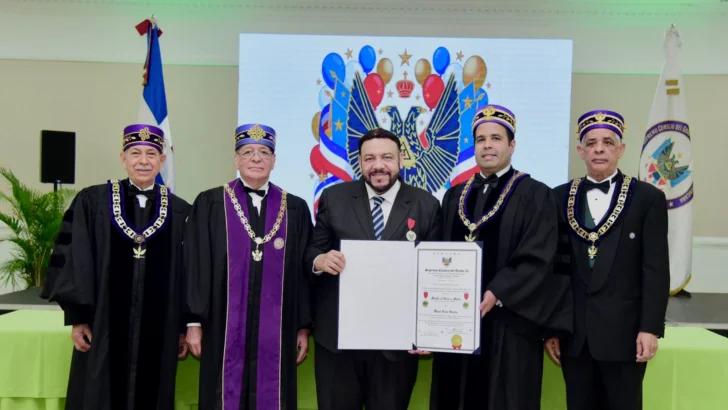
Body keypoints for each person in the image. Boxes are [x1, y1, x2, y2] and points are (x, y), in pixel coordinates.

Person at [429, 105, 573, 410]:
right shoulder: (454, 196)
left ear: (512, 145)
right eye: (481, 139)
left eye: (496, 138)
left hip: (510, 326)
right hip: (456, 323)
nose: (487, 145)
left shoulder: (536, 195)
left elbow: (540, 256)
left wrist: (498, 291)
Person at [41, 124, 191, 410]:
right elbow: (75, 260)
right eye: (135, 153)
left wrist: (183, 326)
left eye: (151, 154)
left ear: (162, 160)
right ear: (123, 158)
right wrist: (77, 318)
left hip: (160, 330)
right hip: (102, 327)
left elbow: (187, 274)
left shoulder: (181, 211)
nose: (143, 161)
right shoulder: (93, 202)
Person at [305, 128, 443, 410]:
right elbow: (312, 251)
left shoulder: (426, 205)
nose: (378, 165)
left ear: (400, 160)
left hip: (395, 346)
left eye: (386, 157)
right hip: (338, 342)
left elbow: (436, 274)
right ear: (359, 162)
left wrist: (429, 331)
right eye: (369, 158)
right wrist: (319, 261)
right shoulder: (334, 198)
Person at [545, 110, 669, 410]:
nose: (599, 149)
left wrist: (650, 328)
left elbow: (655, 269)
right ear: (581, 151)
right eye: (591, 143)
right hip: (575, 336)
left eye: (608, 142)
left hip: (626, 335)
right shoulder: (558, 198)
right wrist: (552, 327)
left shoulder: (647, 199)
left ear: (621, 149)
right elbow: (554, 270)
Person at [183, 123, 313, 410]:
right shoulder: (210, 203)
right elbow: (195, 265)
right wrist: (193, 323)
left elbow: (303, 274)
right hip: (220, 326)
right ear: (236, 159)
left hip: (277, 331)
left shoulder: (295, 209)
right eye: (248, 152)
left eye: (264, 152)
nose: (256, 158)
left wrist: (302, 326)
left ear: (274, 160)